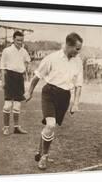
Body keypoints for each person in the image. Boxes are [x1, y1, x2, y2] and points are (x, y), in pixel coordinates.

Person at [25, 32, 83, 170]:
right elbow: (37, 76)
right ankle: (44, 157)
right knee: (50, 125)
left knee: (50, 127)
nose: (78, 51)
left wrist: (75, 103)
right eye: (77, 48)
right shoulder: (52, 58)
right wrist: (29, 91)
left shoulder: (78, 61)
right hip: (49, 93)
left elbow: (79, 84)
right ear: (69, 45)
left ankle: (40, 151)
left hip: (64, 96)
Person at [0, 31, 31, 135]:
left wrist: (25, 69)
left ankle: (16, 128)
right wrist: (3, 81)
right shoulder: (6, 51)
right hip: (9, 77)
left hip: (19, 78)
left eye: (21, 40)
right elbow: (3, 67)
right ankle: (6, 128)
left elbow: (27, 61)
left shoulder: (24, 51)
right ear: (13, 39)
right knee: (8, 105)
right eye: (18, 40)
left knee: (17, 105)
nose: (20, 42)